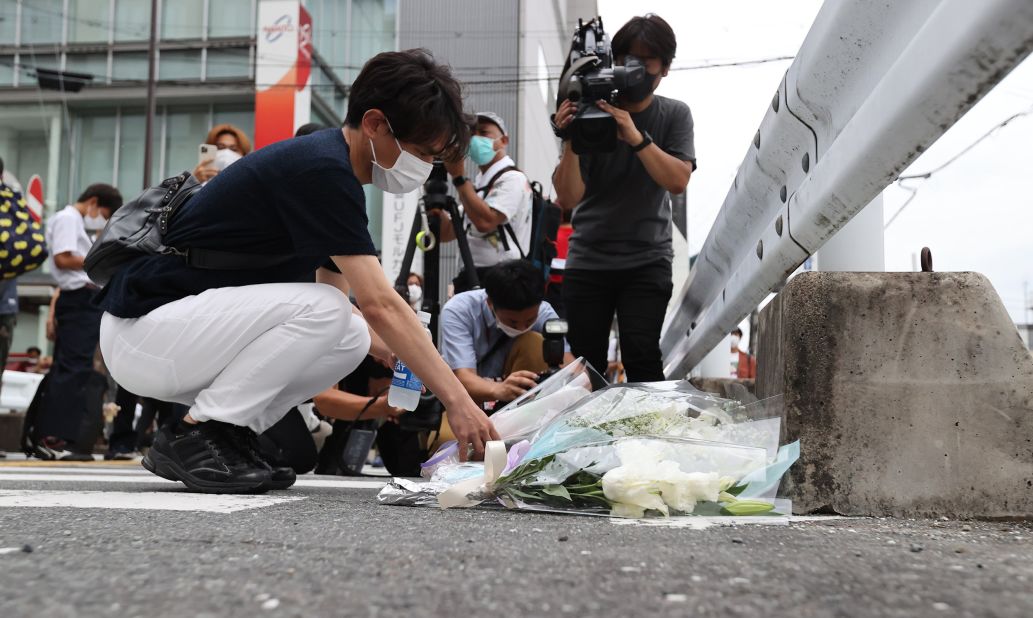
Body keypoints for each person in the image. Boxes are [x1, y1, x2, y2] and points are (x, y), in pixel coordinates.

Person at [95, 49, 498, 494]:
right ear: (375, 124)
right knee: (333, 312)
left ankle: (232, 433)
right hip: (142, 332)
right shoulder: (321, 170)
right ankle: (199, 433)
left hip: (177, 333)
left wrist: (396, 350)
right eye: (423, 153)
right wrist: (458, 401)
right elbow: (378, 303)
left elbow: (348, 306)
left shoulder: (332, 171)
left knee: (350, 334)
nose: (424, 168)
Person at [552, 14, 695, 382]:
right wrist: (570, 139)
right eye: (624, 56)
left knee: (642, 354)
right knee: (587, 367)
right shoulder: (590, 110)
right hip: (588, 260)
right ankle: (590, 438)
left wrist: (636, 137)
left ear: (664, 67)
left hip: (646, 259)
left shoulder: (674, 114)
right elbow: (568, 195)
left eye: (645, 60)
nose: (632, 67)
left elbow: (678, 180)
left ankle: (649, 438)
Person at [30, 184, 123, 461]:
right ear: (93, 202)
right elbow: (63, 257)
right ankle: (60, 436)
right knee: (75, 368)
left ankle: (55, 435)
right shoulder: (69, 217)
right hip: (80, 299)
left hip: (79, 299)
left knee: (70, 367)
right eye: (103, 213)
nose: (99, 219)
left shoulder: (70, 220)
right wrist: (100, 262)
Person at [439, 259, 570, 405]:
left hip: (519, 397)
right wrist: (500, 390)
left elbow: (568, 362)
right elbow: (463, 377)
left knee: (535, 342)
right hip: (474, 397)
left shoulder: (544, 312)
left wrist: (584, 383)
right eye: (512, 322)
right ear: (490, 303)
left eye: (529, 320)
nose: (521, 327)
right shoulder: (459, 310)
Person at [441, 112, 533, 293]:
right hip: (472, 274)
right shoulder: (479, 185)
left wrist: (459, 178)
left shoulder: (513, 178)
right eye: (472, 133)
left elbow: (486, 221)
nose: (475, 138)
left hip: (505, 276)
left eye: (483, 133)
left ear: (503, 141)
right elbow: (447, 233)